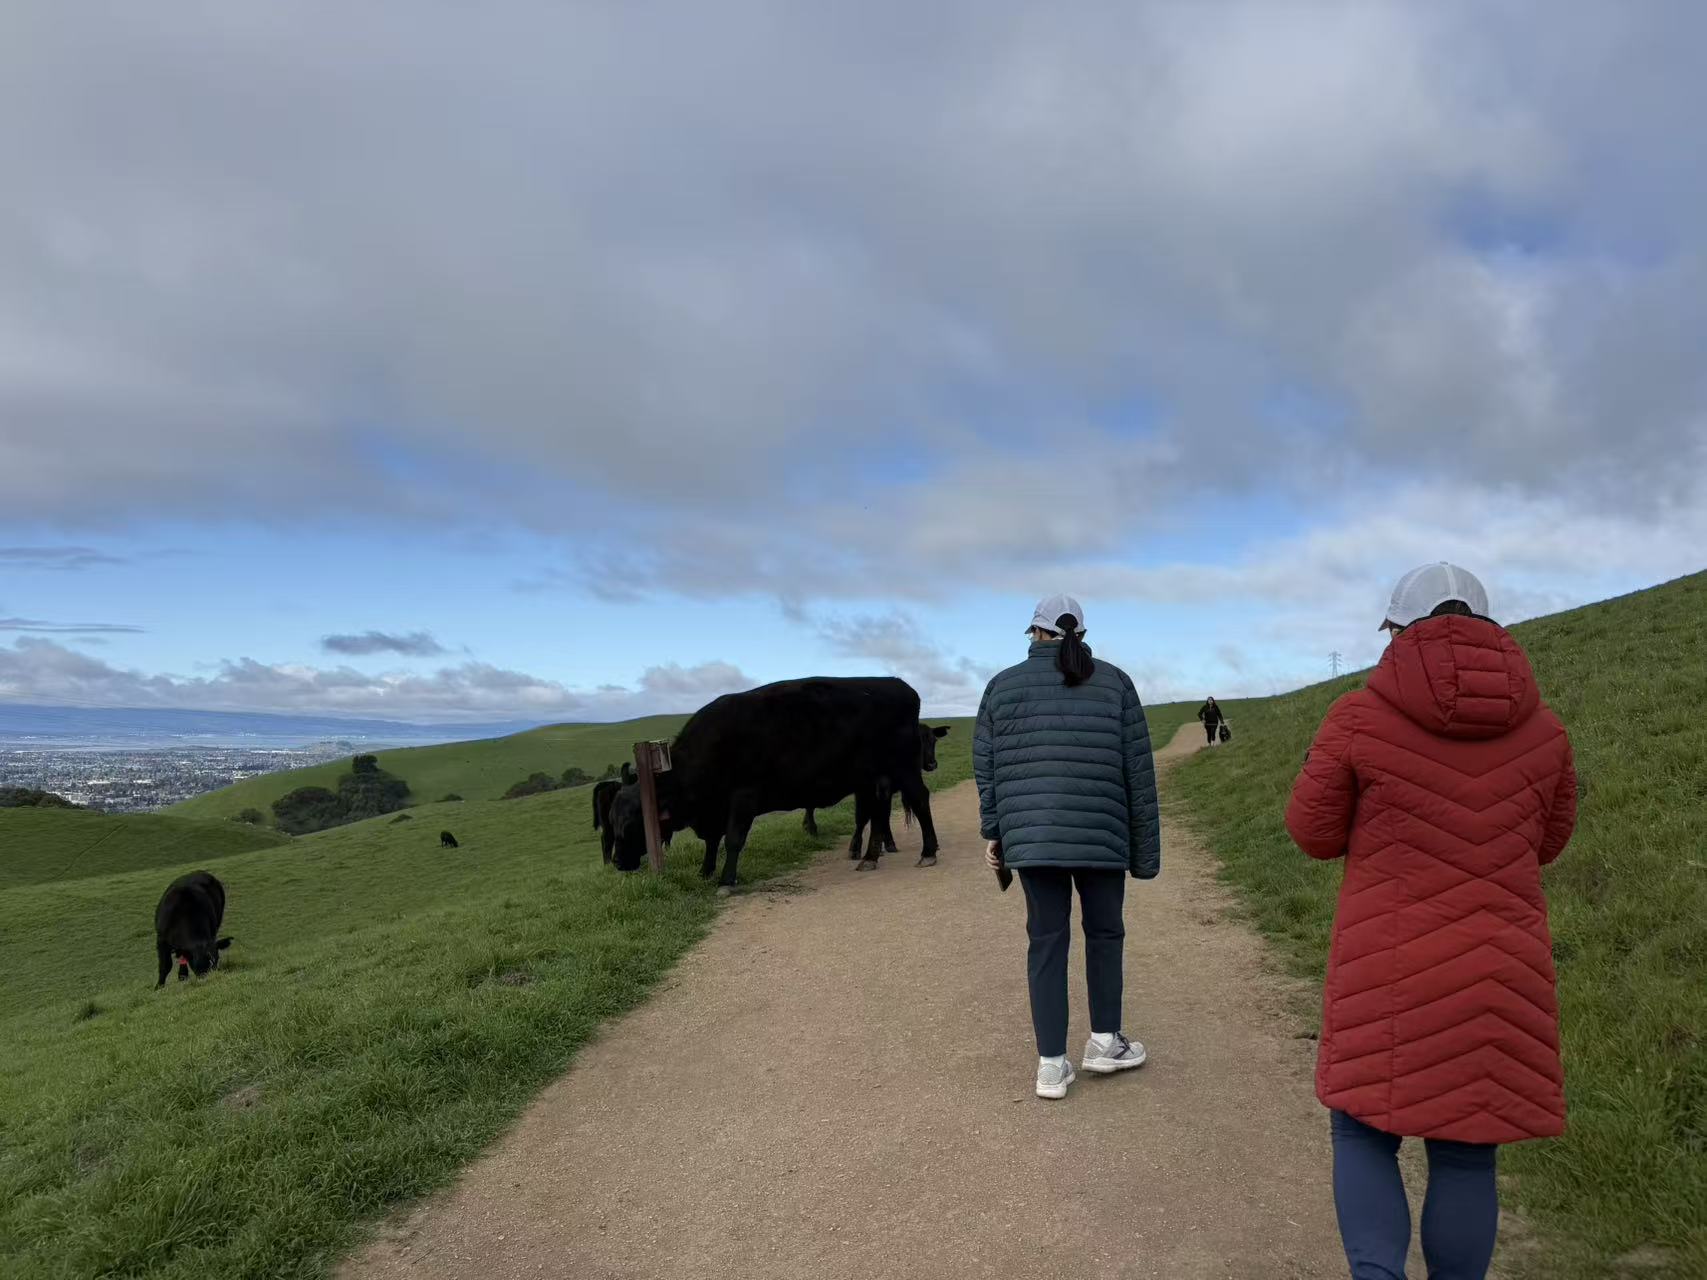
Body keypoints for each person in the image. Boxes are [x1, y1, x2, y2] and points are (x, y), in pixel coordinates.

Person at [1284, 563, 1577, 1280]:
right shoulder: (1544, 731)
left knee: (1361, 1133)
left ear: (1395, 629)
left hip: (1385, 970)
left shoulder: (1355, 716)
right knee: (1467, 1152)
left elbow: (1312, 834)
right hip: (1497, 970)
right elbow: (1548, 842)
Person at [973, 593, 1161, 1100]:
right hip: (1104, 835)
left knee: (1046, 942)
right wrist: (1144, 854)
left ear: (1034, 632)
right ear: (1081, 630)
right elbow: (1138, 774)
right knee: (1105, 935)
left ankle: (1051, 1066)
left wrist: (996, 830)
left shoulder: (1001, 687)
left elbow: (986, 769)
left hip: (1032, 840)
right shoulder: (1115, 682)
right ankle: (1104, 1042)